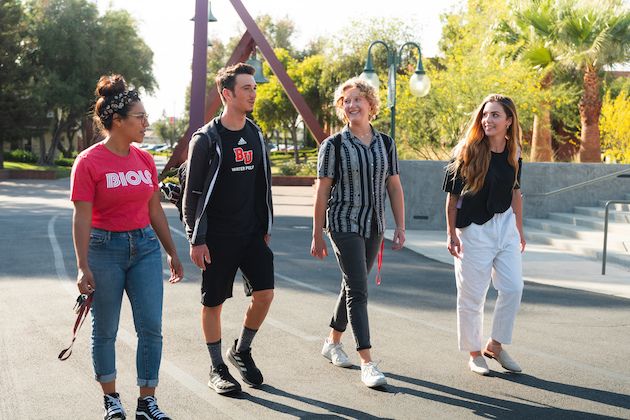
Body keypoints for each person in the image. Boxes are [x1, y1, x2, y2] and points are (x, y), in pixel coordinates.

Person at [71, 74, 183, 419]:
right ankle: (111, 400)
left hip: (145, 248)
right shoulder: (89, 162)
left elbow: (154, 211)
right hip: (104, 250)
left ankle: (147, 401)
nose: (146, 123)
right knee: (104, 328)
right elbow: (81, 218)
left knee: (150, 326)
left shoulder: (145, 160)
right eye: (140, 117)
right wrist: (82, 265)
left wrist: (172, 251)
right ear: (117, 121)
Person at [182, 63, 274, 395]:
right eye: (246, 88)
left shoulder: (255, 133)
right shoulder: (206, 139)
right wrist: (197, 238)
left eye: (253, 87)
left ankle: (241, 350)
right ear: (227, 94)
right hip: (216, 237)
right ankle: (216, 366)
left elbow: (263, 182)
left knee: (265, 294)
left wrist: (264, 225)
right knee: (213, 304)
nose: (253, 93)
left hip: (250, 233)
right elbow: (192, 195)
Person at [311, 77, 406, 388]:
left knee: (353, 284)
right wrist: (317, 232)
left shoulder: (386, 143)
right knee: (359, 291)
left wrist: (400, 226)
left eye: (357, 100)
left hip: (375, 224)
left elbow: (393, 185)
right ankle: (367, 361)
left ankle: (332, 341)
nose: (351, 105)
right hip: (343, 222)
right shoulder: (333, 145)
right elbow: (323, 191)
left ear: (370, 105)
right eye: (346, 101)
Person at [442, 94, 525, 376]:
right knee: (472, 295)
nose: (487, 120)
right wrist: (451, 233)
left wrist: (520, 230)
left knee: (513, 287)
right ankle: (475, 353)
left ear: (509, 121)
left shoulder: (515, 152)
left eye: (495, 115)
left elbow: (516, 192)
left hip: (506, 227)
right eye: (485, 115)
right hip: (473, 230)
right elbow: (452, 198)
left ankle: (495, 346)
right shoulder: (466, 150)